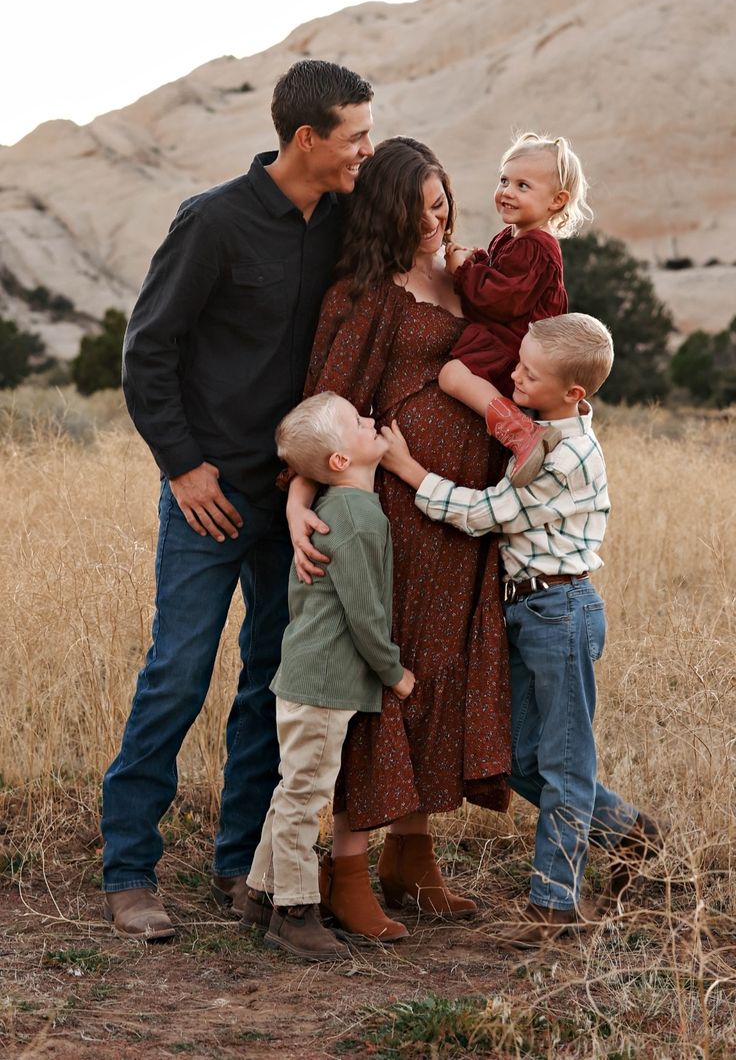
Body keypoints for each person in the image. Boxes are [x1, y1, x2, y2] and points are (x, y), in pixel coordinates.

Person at [101, 59, 375, 940]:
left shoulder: (341, 224)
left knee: (270, 682)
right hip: (207, 498)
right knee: (177, 674)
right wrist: (183, 467)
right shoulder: (211, 222)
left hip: (295, 500)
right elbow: (147, 353)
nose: (363, 152)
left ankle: (237, 863)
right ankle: (129, 869)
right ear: (306, 138)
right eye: (354, 137)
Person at [286, 136, 512, 940]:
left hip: (464, 515)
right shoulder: (367, 291)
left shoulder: (466, 278)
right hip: (399, 522)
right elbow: (325, 405)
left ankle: (412, 859)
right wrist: (298, 499)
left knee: (444, 668)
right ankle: (346, 870)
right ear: (386, 211)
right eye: (418, 206)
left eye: (441, 198)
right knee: (391, 677)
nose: (435, 216)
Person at [380, 312, 663, 948]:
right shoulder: (537, 435)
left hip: (560, 613)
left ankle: (555, 905)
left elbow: (489, 514)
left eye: (528, 374)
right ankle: (623, 828)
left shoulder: (564, 454)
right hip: (527, 610)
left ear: (574, 395)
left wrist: (406, 469)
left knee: (563, 762)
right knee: (514, 758)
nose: (513, 376)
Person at [246, 392, 415, 962]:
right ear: (341, 461)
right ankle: (294, 913)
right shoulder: (357, 519)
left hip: (305, 674)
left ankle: (259, 893)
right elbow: (364, 613)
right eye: (359, 422)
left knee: (290, 788)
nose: (371, 419)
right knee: (304, 794)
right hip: (323, 683)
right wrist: (393, 672)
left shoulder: (335, 509)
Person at [440, 131, 591, 487]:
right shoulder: (512, 236)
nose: (507, 191)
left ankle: (521, 432)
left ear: (557, 200)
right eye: (504, 180)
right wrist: (475, 258)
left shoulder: (538, 246)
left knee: (453, 376)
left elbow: (502, 299)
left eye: (523, 185)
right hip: (509, 339)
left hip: (518, 347)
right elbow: (497, 272)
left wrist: (463, 271)